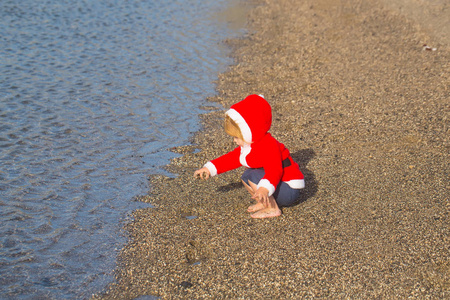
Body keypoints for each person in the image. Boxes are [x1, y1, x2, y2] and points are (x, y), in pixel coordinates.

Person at [194, 94, 305, 219]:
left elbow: (275, 170)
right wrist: (209, 168)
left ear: (250, 131)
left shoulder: (268, 145)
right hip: (277, 186)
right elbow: (231, 159)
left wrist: (264, 189)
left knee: (252, 175)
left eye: (237, 137)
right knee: (246, 176)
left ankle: (272, 208)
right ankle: (263, 202)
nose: (234, 141)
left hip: (289, 189)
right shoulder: (252, 145)